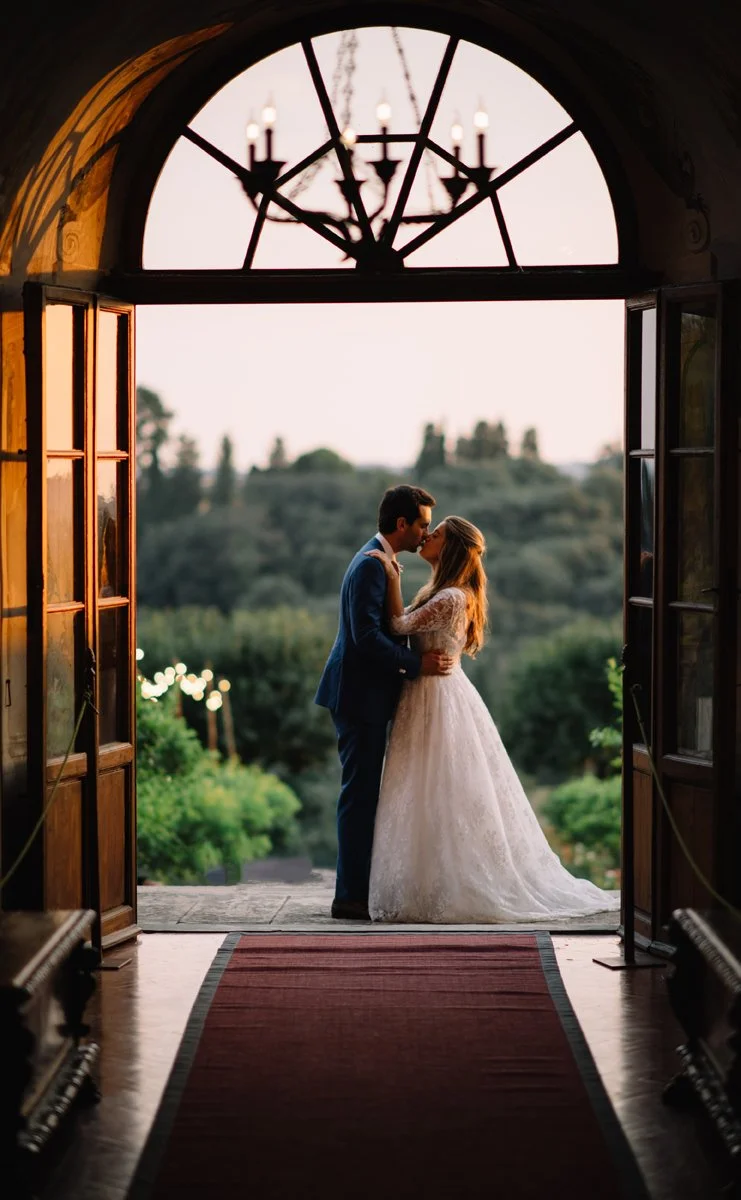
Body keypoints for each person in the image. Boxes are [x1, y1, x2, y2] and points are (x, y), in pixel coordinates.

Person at [366, 515, 621, 923]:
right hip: (427, 692)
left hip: (438, 697)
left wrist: (391, 574)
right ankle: (428, 881)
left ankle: (449, 884)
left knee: (441, 787)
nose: (428, 536)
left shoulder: (451, 596)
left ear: (450, 549)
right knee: (424, 787)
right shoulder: (440, 590)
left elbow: (398, 625)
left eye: (438, 534)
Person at [314, 485, 455, 921]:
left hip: (367, 695)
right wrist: (417, 665)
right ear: (402, 525)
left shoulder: (382, 563)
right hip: (359, 698)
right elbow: (367, 639)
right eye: (423, 525)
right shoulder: (372, 566)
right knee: (359, 797)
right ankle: (350, 898)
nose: (425, 533)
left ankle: (356, 890)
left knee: (363, 794)